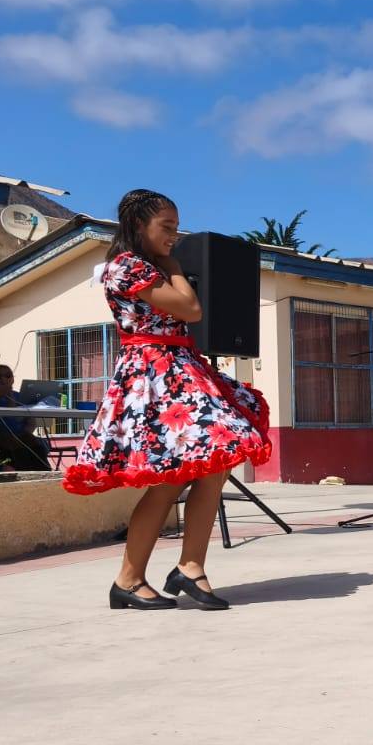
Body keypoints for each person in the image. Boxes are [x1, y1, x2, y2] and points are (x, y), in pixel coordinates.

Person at [63, 189, 271, 612]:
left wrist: (169, 266)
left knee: (215, 461)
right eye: (167, 227)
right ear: (138, 225)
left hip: (178, 367)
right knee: (170, 480)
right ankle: (130, 579)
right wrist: (175, 268)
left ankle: (188, 567)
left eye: (177, 226)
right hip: (154, 374)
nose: (175, 234)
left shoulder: (148, 267)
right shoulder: (126, 267)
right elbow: (190, 308)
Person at [0, 365, 52, 471]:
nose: (4, 379)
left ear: (12, 379)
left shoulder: (20, 396)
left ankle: (44, 473)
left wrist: (22, 435)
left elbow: (31, 422)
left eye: (8, 375)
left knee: (33, 442)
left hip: (18, 437)